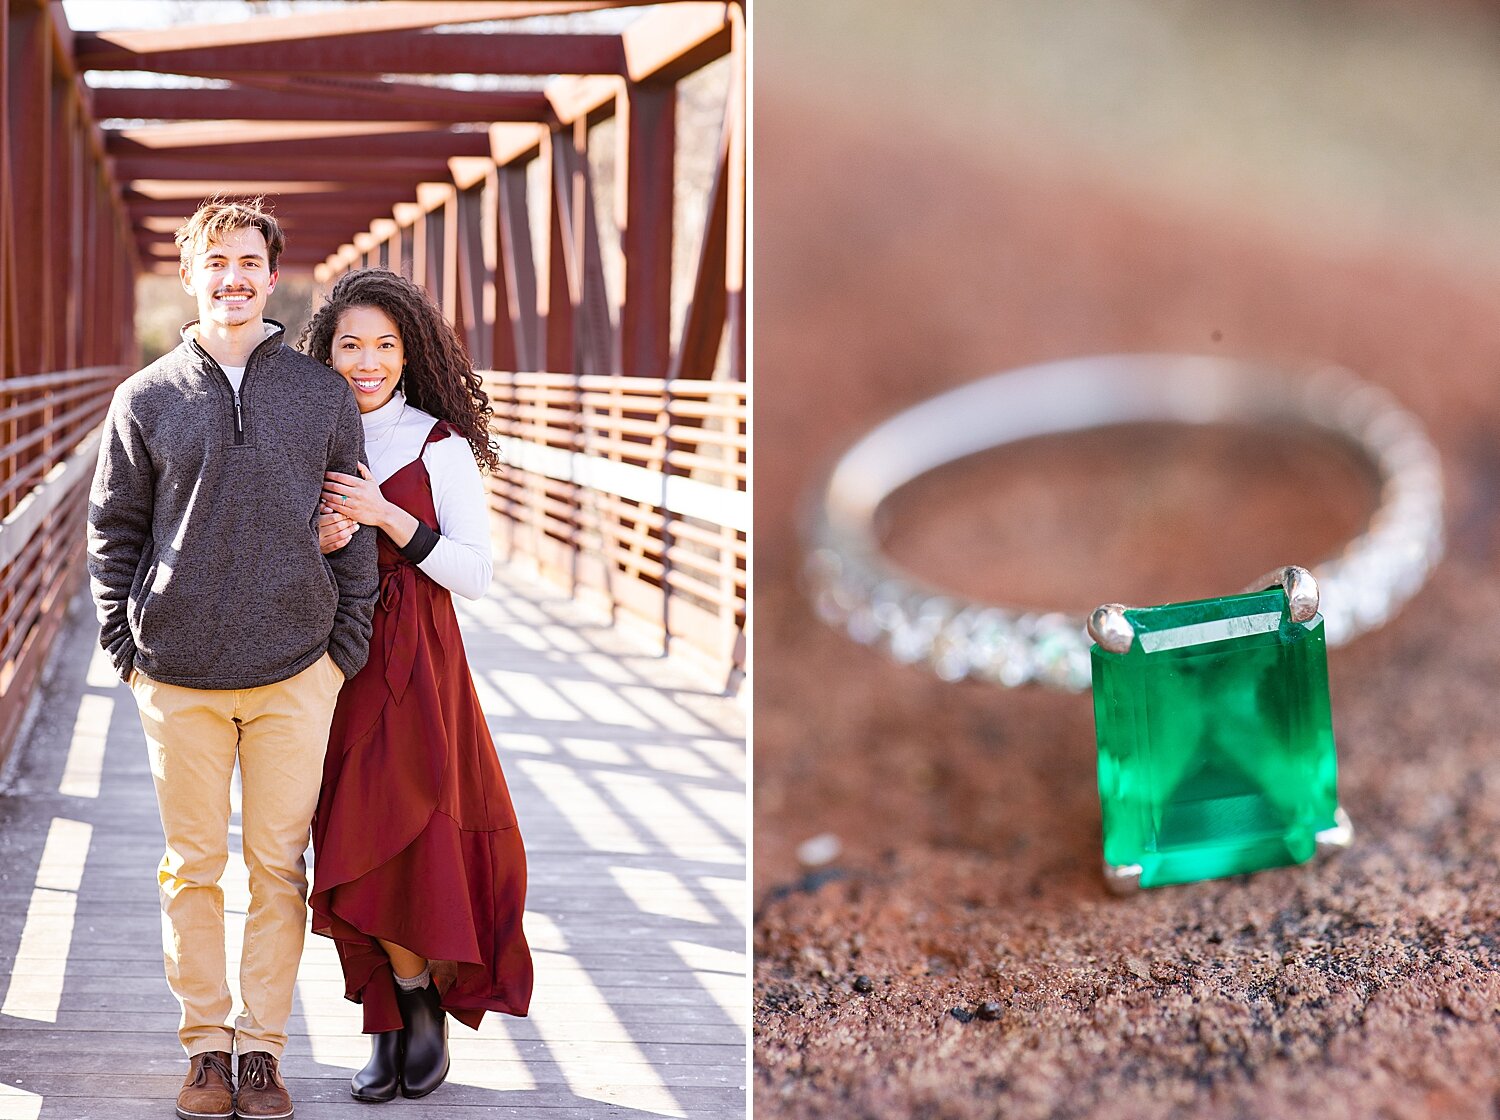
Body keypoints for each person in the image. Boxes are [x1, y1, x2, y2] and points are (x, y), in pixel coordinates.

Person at [86, 197, 378, 1120]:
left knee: (278, 868)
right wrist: (126, 648)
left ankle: (263, 1050)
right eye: (217, 263)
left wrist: (344, 646)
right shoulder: (146, 398)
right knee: (192, 867)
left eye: (249, 260)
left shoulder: (319, 394)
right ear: (191, 275)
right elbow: (113, 532)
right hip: (178, 673)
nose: (234, 278)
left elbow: (355, 517)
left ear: (272, 272)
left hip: (297, 668)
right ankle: (205, 1045)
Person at [300, 267, 533, 1102]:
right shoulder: (305, 431)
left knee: (413, 826)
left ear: (411, 353)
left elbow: (474, 573)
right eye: (351, 345)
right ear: (324, 351)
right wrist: (323, 538)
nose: (367, 362)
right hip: (333, 655)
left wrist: (386, 516)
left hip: (418, 659)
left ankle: (420, 1007)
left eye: (385, 346)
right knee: (351, 835)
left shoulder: (439, 444)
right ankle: (386, 1014)